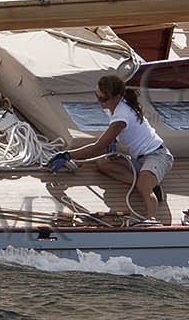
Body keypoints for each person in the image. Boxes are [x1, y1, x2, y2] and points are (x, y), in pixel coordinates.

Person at [66, 73, 174, 220]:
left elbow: (97, 147)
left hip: (158, 155)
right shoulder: (114, 106)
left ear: (116, 97)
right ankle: (148, 186)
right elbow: (112, 140)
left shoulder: (121, 117)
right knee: (103, 163)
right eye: (96, 96)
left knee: (143, 184)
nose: (99, 102)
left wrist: (67, 155)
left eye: (103, 99)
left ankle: (151, 220)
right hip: (139, 158)